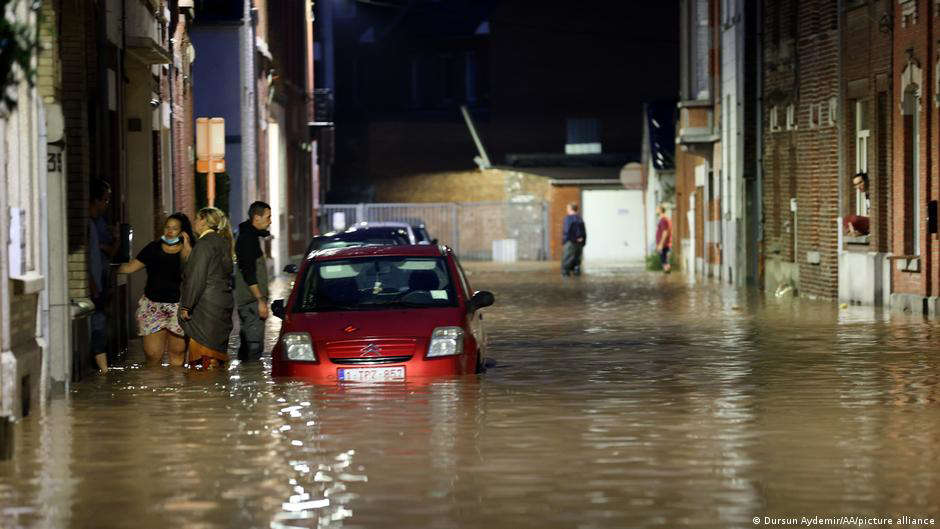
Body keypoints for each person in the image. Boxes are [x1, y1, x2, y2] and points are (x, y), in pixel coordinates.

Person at [117, 213, 194, 366]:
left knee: (177, 354)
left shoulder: (189, 251)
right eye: (167, 227)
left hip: (178, 307)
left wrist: (187, 246)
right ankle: (155, 387)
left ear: (182, 231)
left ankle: (178, 390)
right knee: (152, 355)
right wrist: (106, 268)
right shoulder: (153, 248)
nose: (169, 231)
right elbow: (131, 267)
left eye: (174, 228)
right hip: (153, 306)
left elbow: (194, 272)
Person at [179, 207, 235, 368]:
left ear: (204, 221)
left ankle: (204, 391)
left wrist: (186, 305)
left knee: (202, 360)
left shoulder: (204, 244)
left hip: (205, 308)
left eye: (197, 219)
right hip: (222, 304)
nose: (195, 222)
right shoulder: (223, 242)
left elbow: (196, 278)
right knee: (216, 358)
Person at [234, 201, 272, 362]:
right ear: (257, 218)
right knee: (253, 348)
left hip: (248, 303)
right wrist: (260, 300)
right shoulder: (248, 239)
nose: (270, 221)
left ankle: (246, 378)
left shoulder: (249, 236)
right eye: (268, 217)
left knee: (248, 347)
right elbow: (248, 272)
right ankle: (251, 378)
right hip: (251, 303)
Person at [88, 179, 119, 373]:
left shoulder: (99, 223)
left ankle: (103, 369)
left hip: (101, 282)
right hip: (94, 284)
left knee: (101, 323)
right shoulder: (90, 225)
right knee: (98, 325)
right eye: (105, 200)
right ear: (96, 200)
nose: (107, 204)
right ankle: (104, 370)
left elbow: (110, 251)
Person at [561, 202, 586, 277]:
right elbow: (583, 231)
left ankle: (565, 273)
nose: (567, 209)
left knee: (567, 257)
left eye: (567, 208)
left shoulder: (568, 218)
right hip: (579, 242)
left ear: (570, 209)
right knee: (577, 258)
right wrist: (582, 240)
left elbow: (566, 230)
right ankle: (576, 271)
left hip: (570, 241)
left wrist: (565, 240)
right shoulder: (579, 218)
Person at [844, 172, 870, 236]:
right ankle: (855, 231)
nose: (858, 186)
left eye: (860, 182)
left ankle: (856, 231)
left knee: (854, 219)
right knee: (846, 219)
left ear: (866, 181)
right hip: (869, 222)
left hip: (874, 222)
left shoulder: (874, 193)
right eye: (856, 185)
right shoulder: (867, 195)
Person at [655, 204, 672, 273]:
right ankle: (667, 278)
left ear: (661, 210)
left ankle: (667, 278)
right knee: (664, 260)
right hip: (664, 243)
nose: (656, 210)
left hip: (664, 244)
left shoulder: (664, 220)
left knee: (664, 261)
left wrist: (661, 244)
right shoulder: (664, 219)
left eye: (657, 209)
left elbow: (665, 232)